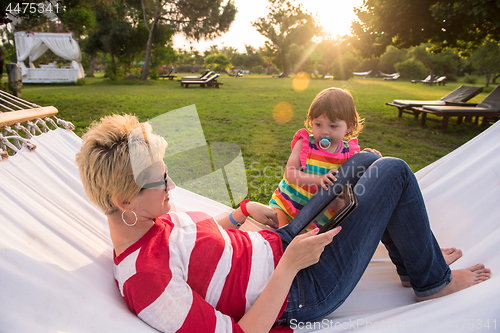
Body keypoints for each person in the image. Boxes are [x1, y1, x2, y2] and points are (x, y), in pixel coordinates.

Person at [76, 114, 490, 333]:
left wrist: (241, 212)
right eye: (159, 179)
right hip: (301, 290)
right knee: (394, 172)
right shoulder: (146, 280)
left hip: (278, 242)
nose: (171, 184)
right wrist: (291, 264)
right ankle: (433, 282)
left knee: (366, 161)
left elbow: (198, 241)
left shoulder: (150, 220)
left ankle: (413, 266)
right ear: (122, 199)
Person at [269, 87, 381, 227]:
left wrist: (366, 157)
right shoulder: (304, 144)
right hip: (286, 206)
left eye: (333, 126)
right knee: (276, 237)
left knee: (301, 246)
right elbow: (290, 173)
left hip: (314, 220)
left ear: (349, 127)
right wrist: (318, 179)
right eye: (318, 124)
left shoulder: (349, 154)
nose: (324, 131)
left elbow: (356, 175)